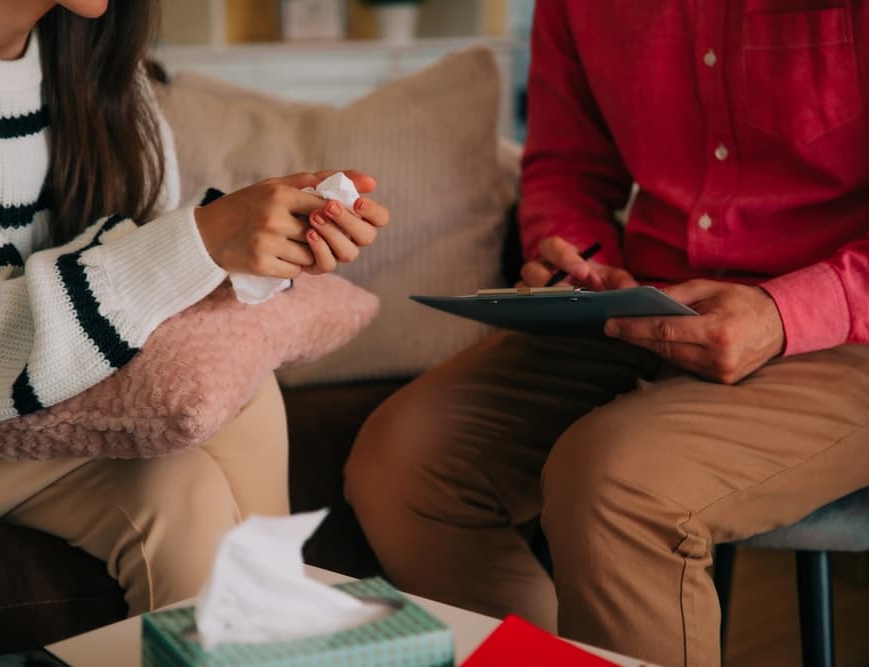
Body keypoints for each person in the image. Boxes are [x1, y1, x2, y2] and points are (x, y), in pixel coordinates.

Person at [344, 2, 869, 666]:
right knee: (402, 462)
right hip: (649, 306)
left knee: (617, 484)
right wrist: (573, 256)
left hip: (846, 331)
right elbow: (567, 168)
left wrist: (783, 312)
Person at [0, 0, 389, 615]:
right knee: (234, 396)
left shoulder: (101, 63)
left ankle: (284, 640)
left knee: (181, 492)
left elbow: (145, 280)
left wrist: (250, 248)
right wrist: (201, 241)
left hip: (20, 419)